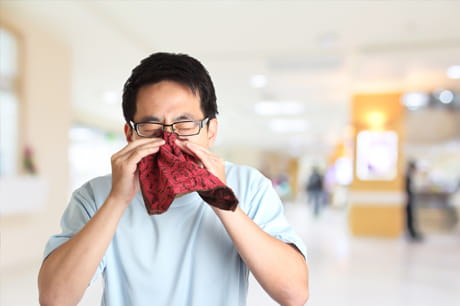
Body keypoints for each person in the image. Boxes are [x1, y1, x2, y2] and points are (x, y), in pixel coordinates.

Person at [38, 52, 309, 306]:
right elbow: (54, 298)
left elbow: (294, 293)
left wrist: (223, 201)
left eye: (185, 124)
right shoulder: (96, 195)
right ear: (130, 134)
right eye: (150, 126)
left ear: (211, 131)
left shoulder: (248, 186)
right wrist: (117, 200)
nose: (169, 139)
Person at [405, 160, 423, 241]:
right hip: (408, 201)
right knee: (410, 218)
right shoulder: (406, 177)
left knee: (412, 217)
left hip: (411, 200)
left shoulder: (410, 176)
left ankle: (414, 233)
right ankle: (411, 233)